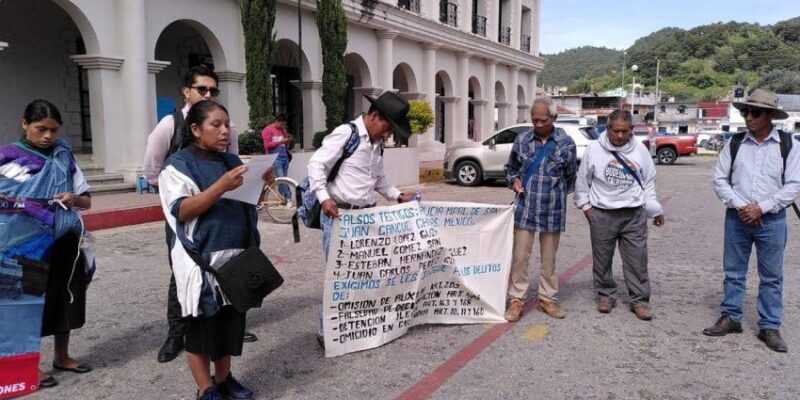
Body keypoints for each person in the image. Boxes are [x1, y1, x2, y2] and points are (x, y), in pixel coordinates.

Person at [142, 65, 255, 364]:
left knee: (232, 267)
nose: (207, 93)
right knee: (185, 271)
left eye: (213, 90)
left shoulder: (223, 131)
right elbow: (153, 168)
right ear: (186, 91)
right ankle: (177, 333)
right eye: (202, 89)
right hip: (187, 211)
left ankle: (228, 318)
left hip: (223, 214)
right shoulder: (170, 125)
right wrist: (176, 194)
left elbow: (233, 167)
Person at [158, 100, 256, 400]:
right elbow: (183, 210)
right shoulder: (177, 166)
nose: (225, 131)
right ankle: (206, 388)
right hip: (201, 261)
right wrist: (221, 186)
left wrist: (260, 184)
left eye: (227, 124)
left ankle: (224, 379)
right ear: (196, 129)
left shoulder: (229, 161)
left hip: (235, 256)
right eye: (216, 125)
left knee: (229, 325)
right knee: (201, 329)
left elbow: (244, 202)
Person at [307, 91, 416, 345]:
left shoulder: (376, 144)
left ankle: (353, 323)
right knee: (337, 275)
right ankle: (327, 331)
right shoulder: (347, 134)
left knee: (363, 273)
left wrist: (399, 196)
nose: (388, 135)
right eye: (388, 128)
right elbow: (316, 165)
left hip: (364, 218)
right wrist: (324, 197)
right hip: (339, 215)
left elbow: (378, 178)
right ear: (375, 116)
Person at [0, 100, 93, 388]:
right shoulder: (7, 158)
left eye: (54, 130)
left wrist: (72, 198)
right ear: (24, 124)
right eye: (41, 129)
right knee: (29, 303)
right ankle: (31, 363)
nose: (48, 136)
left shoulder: (64, 157)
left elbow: (86, 201)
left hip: (64, 240)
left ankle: (62, 356)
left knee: (65, 296)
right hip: (24, 245)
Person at [705, 88, 800, 353]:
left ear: (770, 116)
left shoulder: (789, 145)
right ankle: (731, 317)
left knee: (771, 276)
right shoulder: (734, 143)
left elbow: (793, 185)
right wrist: (743, 206)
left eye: (755, 113)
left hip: (772, 220)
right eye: (746, 112)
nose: (748, 118)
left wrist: (762, 208)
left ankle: (769, 326)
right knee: (733, 272)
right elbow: (720, 180)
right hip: (737, 217)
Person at [574, 110, 665, 321]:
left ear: (632, 130)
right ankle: (606, 295)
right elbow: (582, 181)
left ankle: (640, 301)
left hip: (633, 214)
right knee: (602, 259)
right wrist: (587, 208)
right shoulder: (594, 149)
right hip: (602, 214)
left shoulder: (640, 150)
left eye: (625, 131)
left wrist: (655, 209)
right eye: (616, 131)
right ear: (608, 129)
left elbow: (648, 182)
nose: (621, 136)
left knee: (637, 260)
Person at [502, 97, 577, 322]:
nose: (538, 124)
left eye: (543, 120)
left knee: (549, 258)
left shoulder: (566, 143)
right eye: (534, 120)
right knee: (519, 257)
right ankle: (516, 299)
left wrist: (556, 193)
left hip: (553, 209)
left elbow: (571, 176)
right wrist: (514, 181)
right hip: (525, 208)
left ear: (554, 118)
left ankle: (547, 298)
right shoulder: (522, 140)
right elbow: (510, 168)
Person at [261, 114, 292, 201]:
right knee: (282, 179)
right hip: (275, 158)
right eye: (281, 124)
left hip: (284, 157)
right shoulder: (267, 130)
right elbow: (267, 145)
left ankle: (282, 199)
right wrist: (280, 141)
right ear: (276, 121)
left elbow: (284, 143)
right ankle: (288, 197)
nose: (283, 126)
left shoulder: (282, 130)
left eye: (284, 124)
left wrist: (287, 141)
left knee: (283, 179)